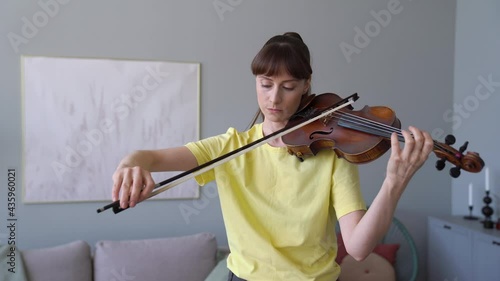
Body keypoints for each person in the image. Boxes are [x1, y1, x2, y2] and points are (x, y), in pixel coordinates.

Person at [111, 32, 434, 281]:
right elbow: (148, 157)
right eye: (265, 84)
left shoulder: (332, 152)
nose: (274, 98)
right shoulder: (228, 148)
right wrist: (130, 165)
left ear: (307, 85)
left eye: (288, 86)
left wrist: (395, 182)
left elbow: (359, 248)